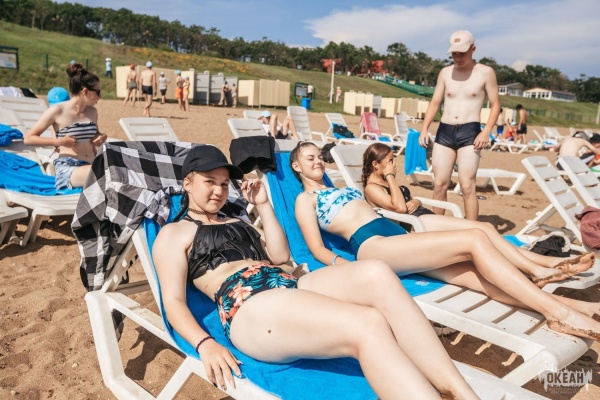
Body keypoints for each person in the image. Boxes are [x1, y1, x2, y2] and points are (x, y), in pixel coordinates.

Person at [152, 145, 481, 399]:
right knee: (367, 323)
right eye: (209, 182)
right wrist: (204, 344)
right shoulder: (174, 233)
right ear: (187, 182)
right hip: (248, 305)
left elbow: (279, 255)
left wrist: (263, 205)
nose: (219, 191)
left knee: (377, 273)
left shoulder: (236, 220)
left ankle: (458, 390)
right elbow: (173, 302)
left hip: (286, 284)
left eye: (224, 184)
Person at [291, 141, 600, 341]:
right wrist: (344, 266)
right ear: (296, 166)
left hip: (398, 236)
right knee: (474, 239)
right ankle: (555, 307)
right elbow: (316, 249)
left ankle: (572, 307)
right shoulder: (305, 200)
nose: (318, 161)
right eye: (310, 158)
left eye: (319, 156)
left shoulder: (340, 186)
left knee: (478, 274)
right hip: (372, 244)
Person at [361, 142, 593, 286]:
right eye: (389, 162)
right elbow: (399, 208)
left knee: (486, 231)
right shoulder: (372, 187)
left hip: (422, 215)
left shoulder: (386, 182)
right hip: (416, 225)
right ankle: (538, 269)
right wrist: (390, 177)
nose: (394, 165)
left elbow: (405, 201)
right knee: (482, 230)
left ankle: (548, 263)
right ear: (375, 165)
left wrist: (417, 199)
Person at [419, 30, 500, 221]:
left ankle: (471, 229)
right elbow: (435, 103)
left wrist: (486, 131)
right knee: (439, 184)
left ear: (473, 49)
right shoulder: (445, 73)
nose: (458, 57)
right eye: (454, 53)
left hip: (470, 131)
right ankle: (436, 226)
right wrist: (424, 128)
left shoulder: (485, 72)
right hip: (445, 131)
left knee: (467, 185)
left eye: (462, 53)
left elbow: (496, 104)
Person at [24, 62, 107, 189]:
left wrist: (100, 137)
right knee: (106, 173)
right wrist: (59, 142)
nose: (100, 96)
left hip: (91, 164)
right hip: (69, 167)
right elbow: (29, 138)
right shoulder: (57, 110)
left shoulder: (92, 112)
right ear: (85, 91)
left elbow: (94, 136)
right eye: (98, 92)